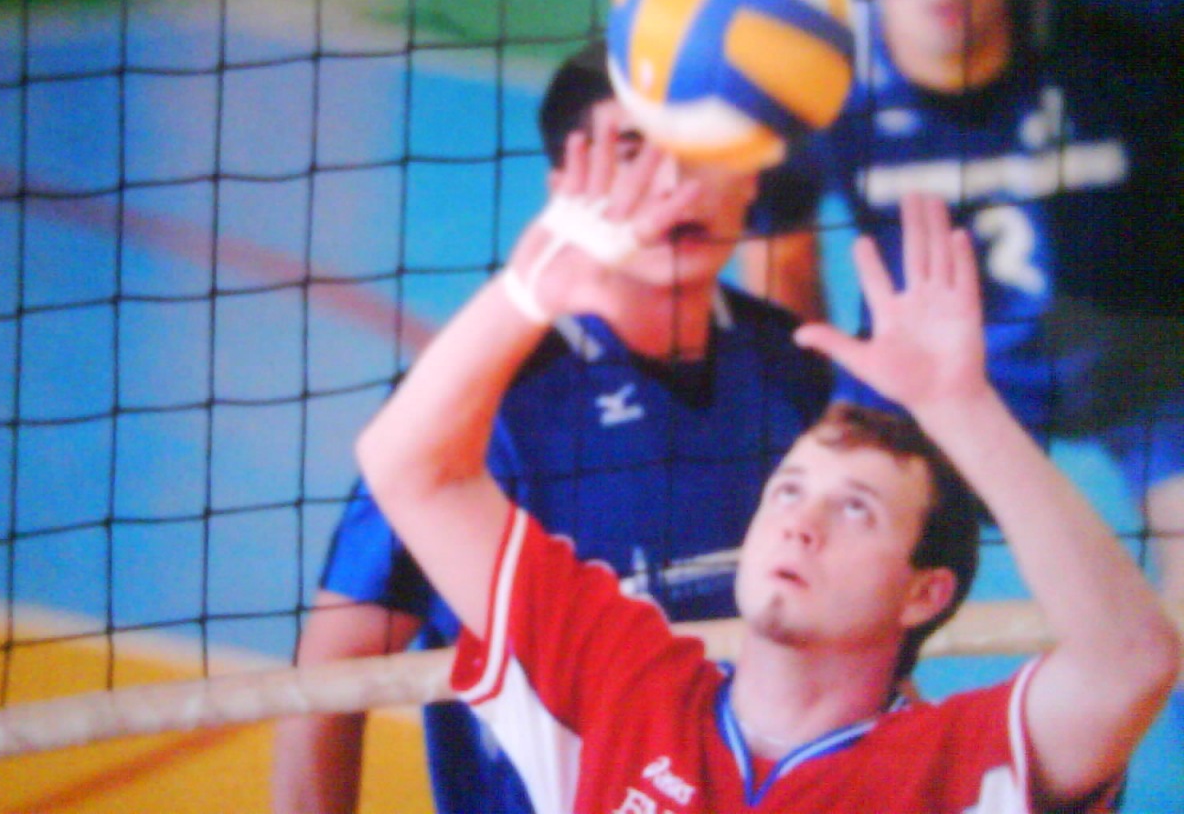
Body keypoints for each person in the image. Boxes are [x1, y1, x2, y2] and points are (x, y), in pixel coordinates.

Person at [356, 148, 1180, 813]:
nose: (800, 522)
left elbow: (1133, 660)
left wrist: (962, 408)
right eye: (788, 488)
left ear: (924, 593)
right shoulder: (620, 682)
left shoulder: (961, 764)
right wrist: (527, 292)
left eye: (855, 509)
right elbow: (407, 469)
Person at [270, 41, 833, 813]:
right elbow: (327, 681)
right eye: (632, 151)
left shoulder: (795, 367)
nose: (674, 183)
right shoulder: (478, 407)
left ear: (749, 176)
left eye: (702, 148)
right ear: (566, 187)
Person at [742, 0, 1184, 618]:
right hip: (930, 373)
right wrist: (822, 414)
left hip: (1144, 355)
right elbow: (782, 254)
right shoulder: (816, 70)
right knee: (837, 577)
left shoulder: (1121, 13)